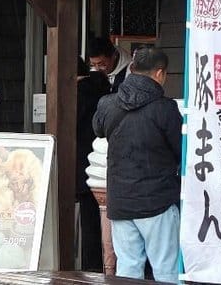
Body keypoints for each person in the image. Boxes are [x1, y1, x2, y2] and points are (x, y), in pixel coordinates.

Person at [93, 48, 182, 283]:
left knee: (128, 269)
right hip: (158, 201)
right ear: (160, 73)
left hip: (121, 200)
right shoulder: (166, 109)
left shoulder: (107, 103)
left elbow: (98, 129)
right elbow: (180, 150)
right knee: (166, 270)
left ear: (131, 70)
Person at [76, 57, 111, 271]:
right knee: (105, 221)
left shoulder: (78, 94)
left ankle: (92, 268)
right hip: (102, 162)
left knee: (89, 223)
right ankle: (105, 268)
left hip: (82, 164)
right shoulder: (103, 90)